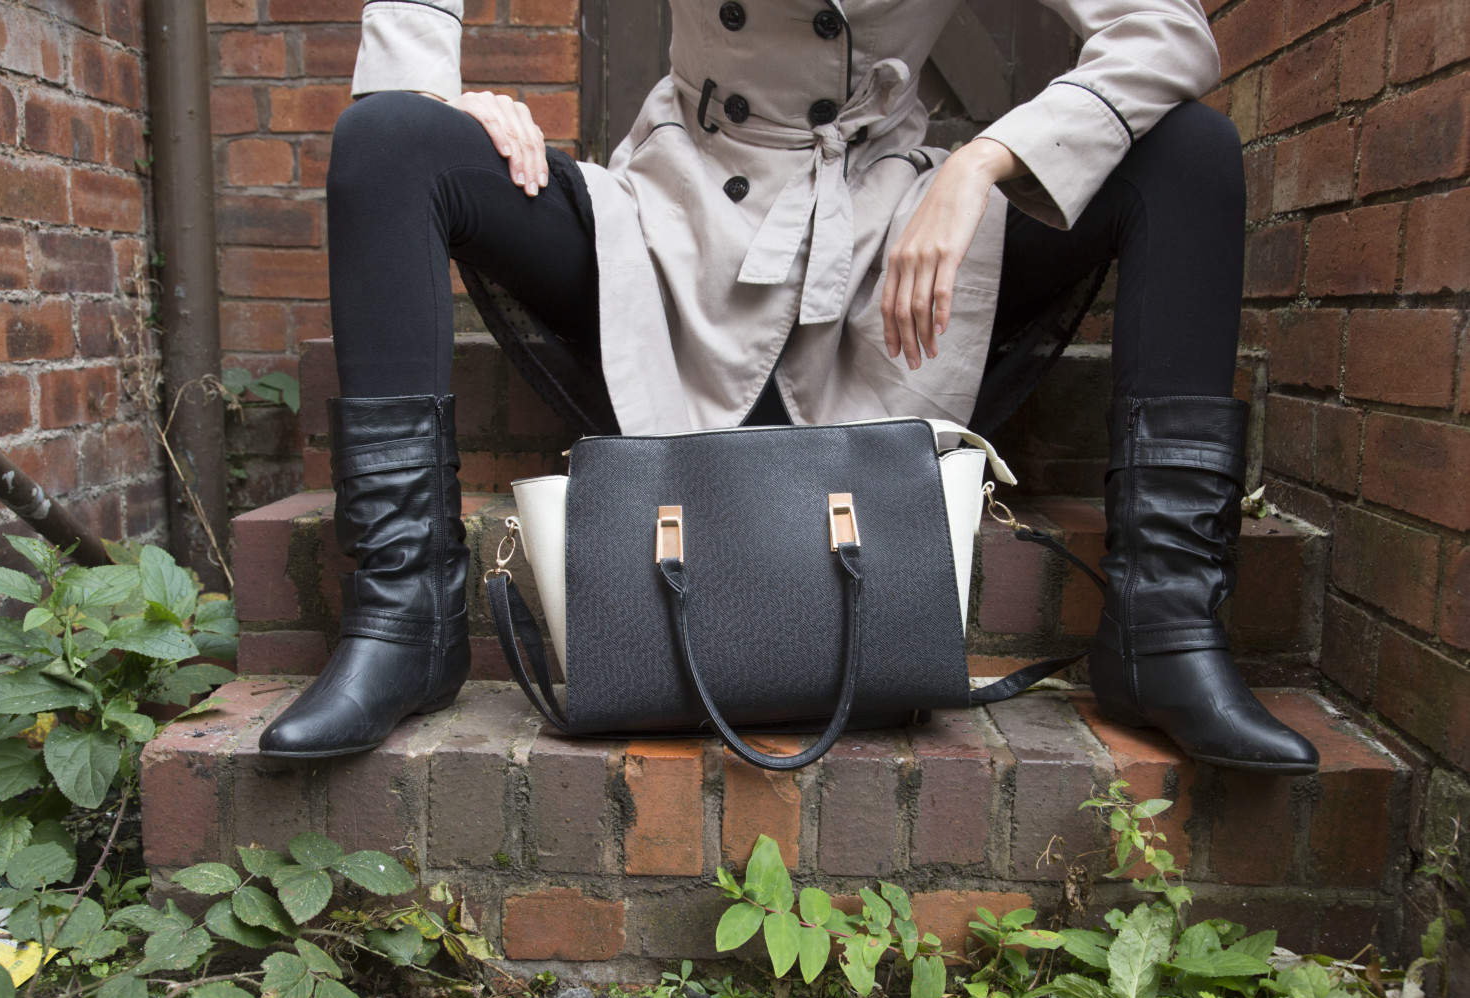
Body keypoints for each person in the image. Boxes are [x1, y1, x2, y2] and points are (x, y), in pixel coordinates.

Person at [257, 0, 1320, 775]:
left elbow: (1167, 33)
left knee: (1188, 148)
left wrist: (984, 162)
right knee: (390, 137)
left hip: (887, 230)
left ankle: (1162, 628)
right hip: (672, 221)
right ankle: (406, 619)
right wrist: (440, 91)